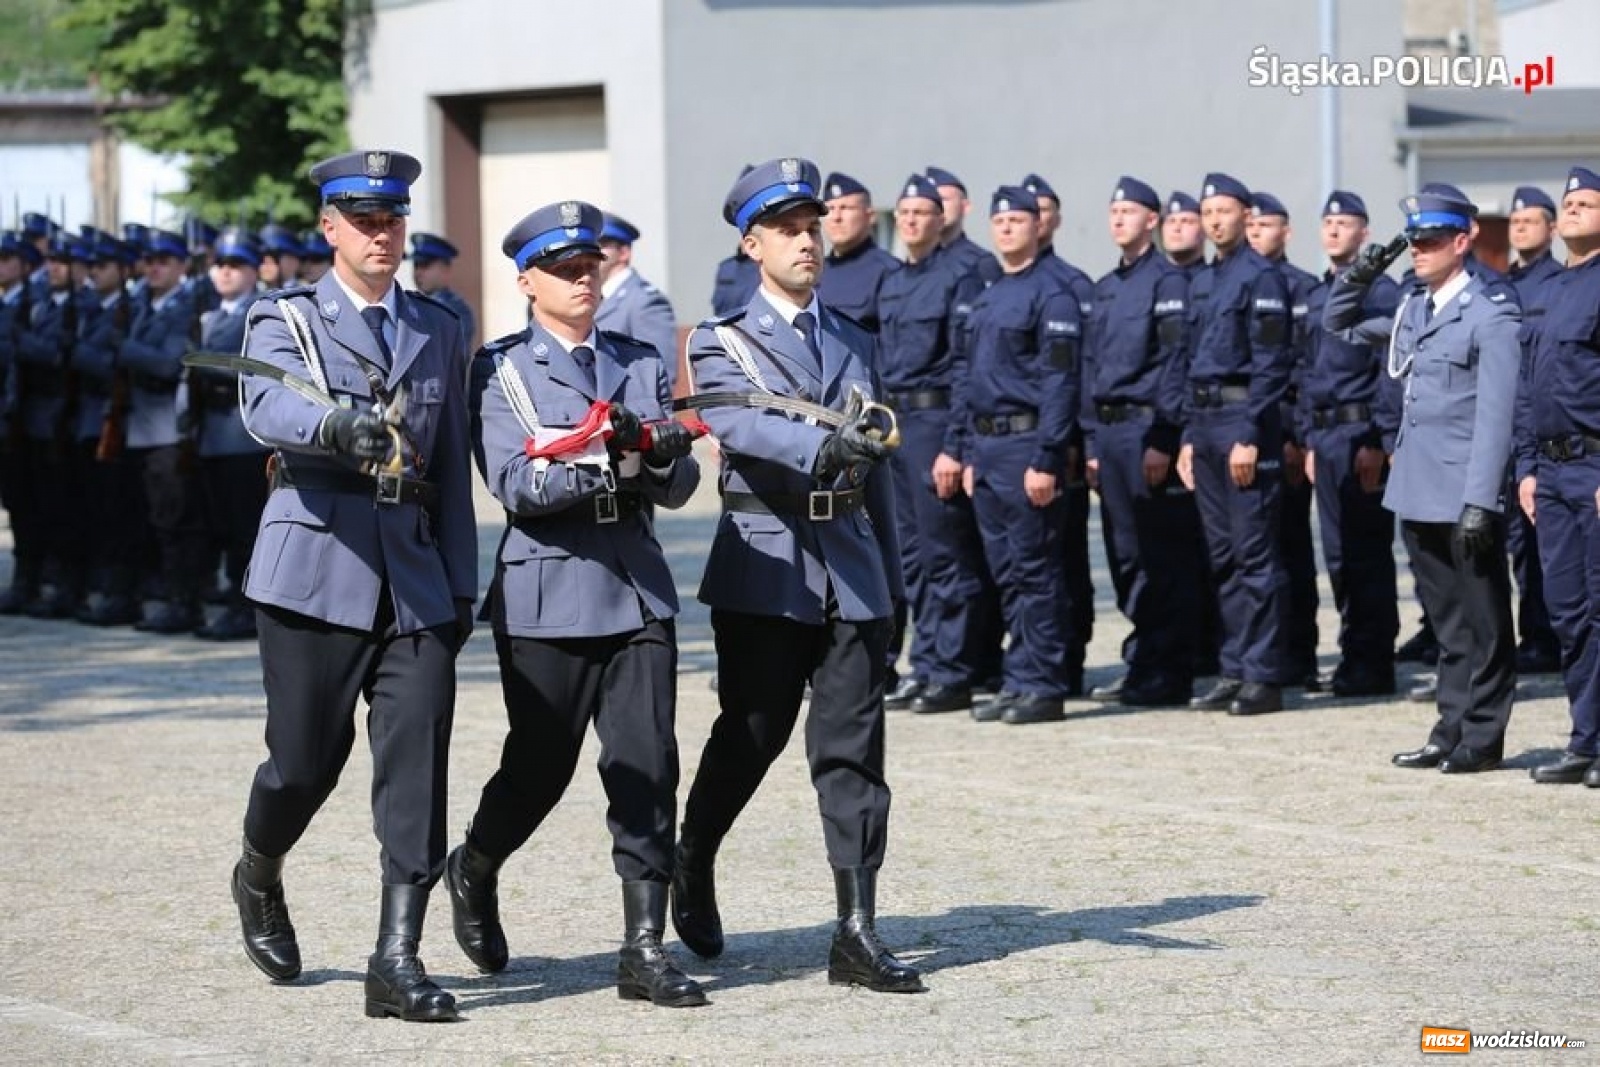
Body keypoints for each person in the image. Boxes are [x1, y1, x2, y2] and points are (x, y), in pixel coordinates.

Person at [228, 148, 478, 1022]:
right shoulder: (285, 316)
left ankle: (396, 957)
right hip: (314, 569)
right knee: (304, 763)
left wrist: (459, 591)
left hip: (413, 580)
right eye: (364, 220)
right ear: (329, 229)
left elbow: (448, 466)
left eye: (393, 219)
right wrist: (338, 425)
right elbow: (267, 407)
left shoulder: (441, 326)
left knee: (417, 765)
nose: (382, 234)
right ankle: (258, 867)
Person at [443, 200, 705, 1007]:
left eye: (588, 265)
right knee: (539, 767)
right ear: (526, 281)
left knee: (649, 765)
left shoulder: (636, 358)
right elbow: (519, 481)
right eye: (562, 269)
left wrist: (659, 458)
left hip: (634, 584)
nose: (581, 279)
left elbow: (681, 481)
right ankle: (475, 865)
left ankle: (643, 945)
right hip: (549, 586)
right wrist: (614, 459)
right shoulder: (502, 369)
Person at [672, 157, 923, 994]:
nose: (807, 241)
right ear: (752, 244)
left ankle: (855, 930)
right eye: (787, 228)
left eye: (814, 226)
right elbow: (742, 424)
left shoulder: (851, 341)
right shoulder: (720, 342)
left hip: (851, 568)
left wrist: (892, 585)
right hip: (767, 566)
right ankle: (693, 853)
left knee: (851, 751)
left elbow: (879, 471)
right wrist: (827, 445)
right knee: (753, 732)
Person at [1324, 186, 1520, 773]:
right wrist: (1369, 263)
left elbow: (1495, 418)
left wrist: (1481, 501)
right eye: (1413, 240)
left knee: (1484, 621)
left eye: (1430, 240)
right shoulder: (1414, 308)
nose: (1418, 250)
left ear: (1462, 242)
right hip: (1416, 489)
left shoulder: (1492, 314)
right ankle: (1450, 727)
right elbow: (1339, 320)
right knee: (1446, 622)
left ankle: (1483, 738)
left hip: (1464, 493)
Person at [956, 185, 1083, 725]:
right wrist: (965, 451)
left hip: (1027, 446)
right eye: (999, 220)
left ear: (1038, 227)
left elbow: (1060, 382)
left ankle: (1044, 684)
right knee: (1005, 572)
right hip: (986, 448)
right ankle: (1019, 676)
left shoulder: (1051, 295)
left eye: (1017, 220)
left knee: (1036, 569)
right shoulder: (987, 295)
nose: (1006, 228)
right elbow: (967, 379)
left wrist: (1048, 457)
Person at [875, 174, 997, 714]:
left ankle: (955, 669)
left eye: (922, 212)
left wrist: (956, 445)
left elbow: (966, 367)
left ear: (940, 218)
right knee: (911, 557)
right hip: (895, 426)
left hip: (935, 423)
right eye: (903, 213)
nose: (911, 221)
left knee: (948, 553)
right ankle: (926, 663)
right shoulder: (894, 280)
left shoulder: (961, 277)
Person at [1177, 173, 1293, 716]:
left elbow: (1272, 364)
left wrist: (1250, 433)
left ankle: (1264, 675)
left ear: (1247, 217)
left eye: (1224, 210)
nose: (1214, 220)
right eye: (1208, 212)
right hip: (1203, 424)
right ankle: (1234, 667)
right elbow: (1188, 363)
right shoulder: (1202, 281)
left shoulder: (1262, 277)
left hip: (1244, 422)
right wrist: (1185, 437)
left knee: (1255, 556)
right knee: (1220, 557)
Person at [1082, 177, 1200, 706]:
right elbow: (1088, 368)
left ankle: (1169, 668)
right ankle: (1142, 661)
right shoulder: (1105, 287)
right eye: (1113, 211)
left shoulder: (1168, 282)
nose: (1118, 220)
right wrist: (1088, 441)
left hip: (1145, 431)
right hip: (1107, 435)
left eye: (1129, 211)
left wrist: (1165, 437)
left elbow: (1177, 362)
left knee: (1162, 557)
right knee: (1125, 556)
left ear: (1152, 220)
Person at [1517, 167, 1600, 785]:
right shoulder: (1545, 286)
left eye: (1584, 203)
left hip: (1595, 466)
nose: (1570, 209)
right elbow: (1528, 388)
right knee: (1566, 610)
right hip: (1549, 470)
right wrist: (1525, 467)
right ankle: (1585, 739)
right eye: (1566, 202)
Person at [1299, 192, 1401, 696]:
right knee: (1337, 556)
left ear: (1365, 233)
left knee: (1367, 552)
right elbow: (1303, 370)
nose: (1335, 231)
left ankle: (1373, 658)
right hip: (1324, 434)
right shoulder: (1318, 296)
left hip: (1361, 432)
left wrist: (1378, 440)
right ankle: (1352, 653)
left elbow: (1389, 366)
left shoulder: (1379, 292)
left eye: (1346, 223)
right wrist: (1307, 438)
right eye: (1329, 222)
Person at [1248, 191, 1322, 690]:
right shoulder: (1234, 285)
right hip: (1248, 431)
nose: (1256, 233)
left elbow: (1305, 368)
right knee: (1252, 549)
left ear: (1286, 232)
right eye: (1250, 225)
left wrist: (1298, 436)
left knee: (1292, 547)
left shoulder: (1303, 289)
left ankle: (1301, 652)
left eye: (1266, 225)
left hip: (1286, 432)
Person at [181, 227, 269, 640]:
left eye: (236, 265)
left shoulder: (263, 312)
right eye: (220, 264)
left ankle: (246, 605)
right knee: (219, 524)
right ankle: (232, 599)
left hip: (242, 434)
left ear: (254, 270)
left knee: (245, 527)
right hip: (210, 434)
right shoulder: (211, 314)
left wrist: (198, 361)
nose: (225, 273)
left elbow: (252, 365)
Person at [120, 227, 205, 633]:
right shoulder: (141, 305)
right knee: (147, 519)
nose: (153, 268)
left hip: (169, 430)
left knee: (175, 520)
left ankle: (183, 601)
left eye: (163, 261)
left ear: (181, 266)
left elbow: (169, 363)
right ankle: (162, 595)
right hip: (138, 426)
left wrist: (123, 349)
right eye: (149, 261)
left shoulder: (185, 307)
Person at [1504, 184, 1563, 676]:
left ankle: (1549, 638)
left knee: (1545, 544)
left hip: (1541, 432)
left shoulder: (1559, 284)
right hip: (1503, 432)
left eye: (1530, 219)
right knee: (1517, 548)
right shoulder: (1498, 285)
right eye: (1514, 220)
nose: (1519, 226)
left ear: (1551, 228)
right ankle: (1531, 636)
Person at [594, 213, 680, 387]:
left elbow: (660, 375)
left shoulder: (645, 301)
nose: (593, 253)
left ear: (624, 252)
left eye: (601, 245)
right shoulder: (595, 297)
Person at [816, 172, 899, 332]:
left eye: (846, 208)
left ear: (870, 216)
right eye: (830, 209)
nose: (836, 217)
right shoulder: (815, 270)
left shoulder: (889, 271)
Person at [410, 232, 477, 364]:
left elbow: (451, 361)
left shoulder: (455, 310)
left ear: (445, 269)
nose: (418, 272)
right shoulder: (409, 304)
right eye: (416, 265)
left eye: (425, 265)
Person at [927, 165, 999, 283]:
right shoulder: (917, 260)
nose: (937, 206)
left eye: (943, 200)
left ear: (965, 207)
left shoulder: (979, 263)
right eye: (932, 201)